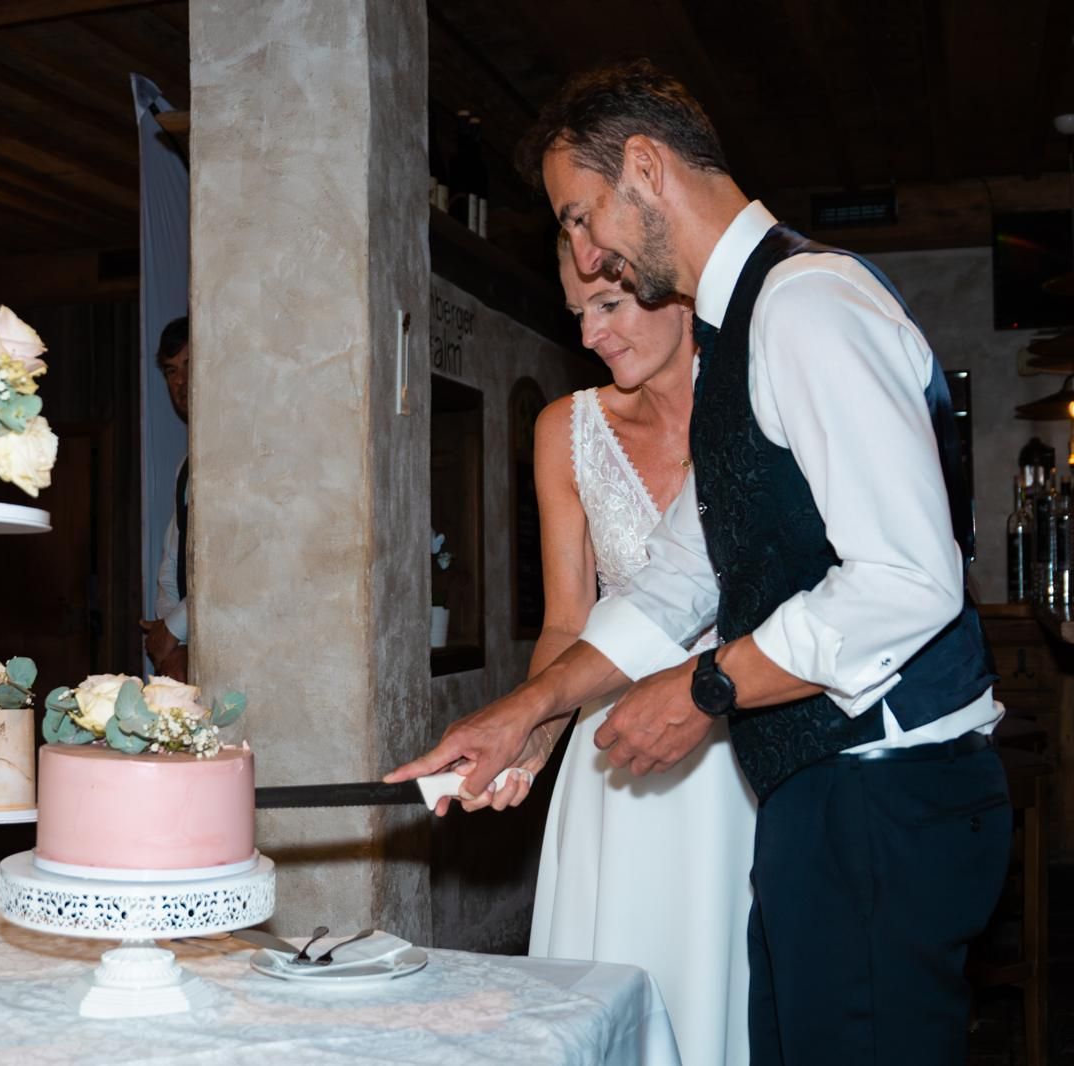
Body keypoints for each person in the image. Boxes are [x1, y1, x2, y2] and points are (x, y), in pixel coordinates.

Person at [390, 61, 1010, 1064]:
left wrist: (711, 684)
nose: (583, 254)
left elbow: (909, 581)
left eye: (581, 216)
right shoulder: (741, 331)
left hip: (887, 795)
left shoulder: (804, 307)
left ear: (643, 168)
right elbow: (682, 575)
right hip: (820, 797)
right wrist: (526, 711)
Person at [501, 231, 754, 1064]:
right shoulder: (563, 430)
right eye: (578, 314)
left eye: (608, 305)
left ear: (679, 294)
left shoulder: (762, 402)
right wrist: (530, 745)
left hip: (744, 743)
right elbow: (568, 622)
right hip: (613, 764)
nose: (589, 335)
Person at [139, 316, 190, 682]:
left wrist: (174, 629)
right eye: (171, 371)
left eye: (190, 365)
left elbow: (226, 569)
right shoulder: (186, 464)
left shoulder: (238, 458)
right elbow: (172, 563)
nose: (180, 382)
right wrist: (171, 638)